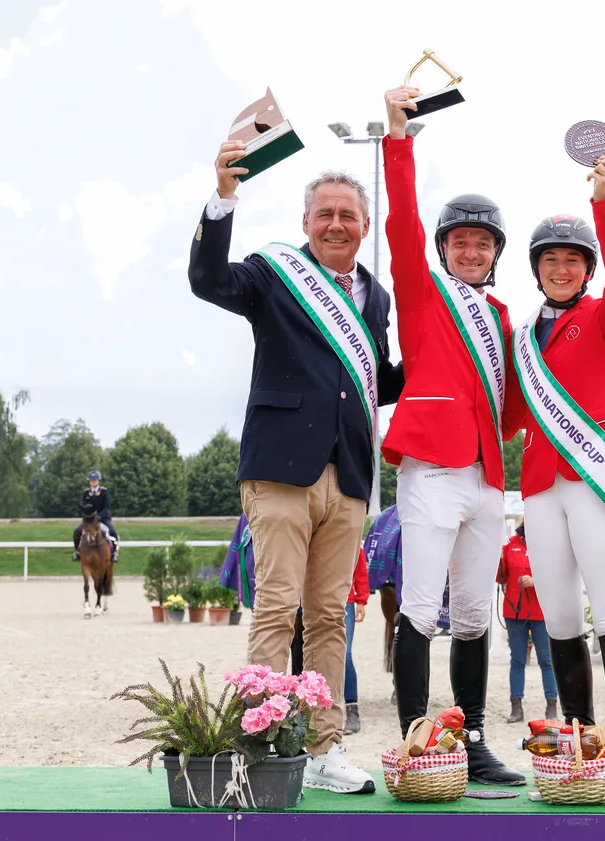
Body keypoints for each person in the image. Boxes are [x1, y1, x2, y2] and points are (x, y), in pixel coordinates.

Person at [189, 137, 405, 794]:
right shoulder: (273, 272)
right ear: (306, 222)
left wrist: (439, 354)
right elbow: (208, 280)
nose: (337, 224)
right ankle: (260, 747)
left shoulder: (375, 296)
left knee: (330, 616)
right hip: (281, 468)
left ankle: (322, 747)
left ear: (365, 226)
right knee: (277, 609)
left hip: (349, 475)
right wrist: (223, 198)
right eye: (325, 214)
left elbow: (377, 381)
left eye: (348, 215)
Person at [381, 83, 522, 785]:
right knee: (418, 608)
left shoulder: (500, 318)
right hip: (432, 470)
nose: (471, 251)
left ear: (495, 253)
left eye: (482, 243)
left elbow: (514, 406)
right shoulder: (421, 289)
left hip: (487, 477)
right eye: (460, 241)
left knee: (472, 613)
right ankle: (416, 738)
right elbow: (402, 223)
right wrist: (397, 140)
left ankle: (471, 741)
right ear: (443, 249)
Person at [500, 153, 605, 783]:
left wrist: (604, 202)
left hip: (596, 478)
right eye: (550, 260)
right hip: (540, 484)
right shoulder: (523, 336)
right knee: (558, 615)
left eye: (573, 260)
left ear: (588, 268)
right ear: (536, 269)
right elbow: (509, 412)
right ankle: (582, 741)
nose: (561, 269)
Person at [496, 522, 558, 724]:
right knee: (517, 660)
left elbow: (557, 575)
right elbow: (501, 578)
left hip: (541, 611)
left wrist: (536, 581)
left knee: (546, 659)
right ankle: (516, 707)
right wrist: (497, 561)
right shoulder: (509, 544)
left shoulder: (548, 544)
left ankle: (551, 705)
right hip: (514, 610)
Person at [344, 544, 370, 734]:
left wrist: (361, 599)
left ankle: (352, 710)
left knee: (345, 655)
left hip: (345, 601)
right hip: (316, 599)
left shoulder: (350, 538)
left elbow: (359, 566)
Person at [74, 471, 119, 563]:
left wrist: (99, 516)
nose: (93, 482)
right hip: (90, 520)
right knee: (77, 531)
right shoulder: (86, 493)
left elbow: (107, 507)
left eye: (95, 480)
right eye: (91, 480)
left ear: (98, 481)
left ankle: (114, 553)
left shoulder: (104, 492)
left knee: (113, 532)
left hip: (103, 518)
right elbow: (85, 507)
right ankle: (77, 552)